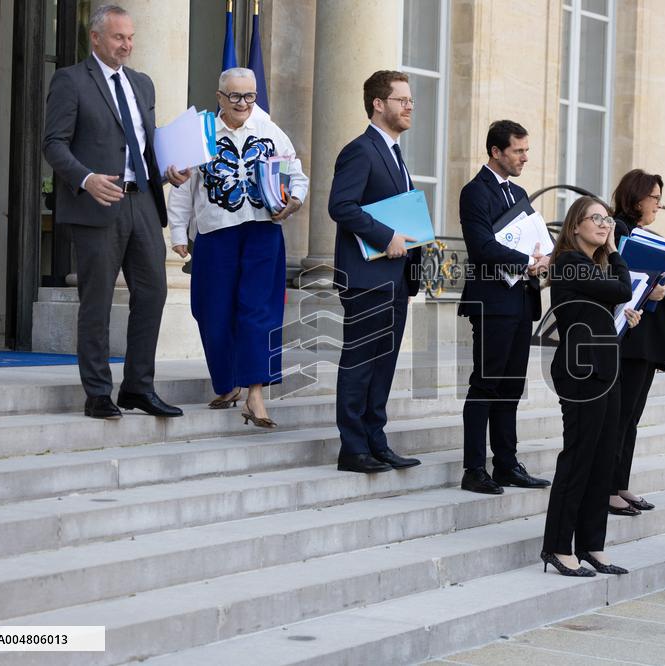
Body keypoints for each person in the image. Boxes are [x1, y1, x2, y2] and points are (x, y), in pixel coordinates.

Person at [42, 4, 189, 420]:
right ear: (96, 37)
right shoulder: (70, 81)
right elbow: (53, 143)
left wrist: (169, 170)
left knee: (154, 293)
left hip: (142, 201)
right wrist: (86, 179)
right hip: (96, 204)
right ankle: (98, 392)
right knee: (97, 300)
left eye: (130, 38)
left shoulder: (142, 84)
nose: (127, 45)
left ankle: (139, 387)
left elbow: (145, 146)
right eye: (118, 37)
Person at [167, 68, 308, 428]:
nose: (243, 103)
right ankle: (228, 383)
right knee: (211, 311)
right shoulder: (201, 136)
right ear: (219, 98)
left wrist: (294, 201)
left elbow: (297, 176)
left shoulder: (270, 132)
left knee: (258, 311)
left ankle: (255, 394)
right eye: (235, 96)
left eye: (250, 96)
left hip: (262, 234)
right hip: (215, 236)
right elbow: (184, 187)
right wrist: (179, 234)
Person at [327, 70, 422, 474]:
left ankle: (376, 440)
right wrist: (386, 237)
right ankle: (352, 448)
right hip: (366, 277)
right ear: (378, 104)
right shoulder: (361, 150)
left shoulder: (395, 153)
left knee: (383, 364)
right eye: (401, 99)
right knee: (360, 362)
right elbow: (341, 206)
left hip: (395, 278)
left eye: (410, 100)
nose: (410, 106)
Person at [540, 196, 640, 577]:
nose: (604, 224)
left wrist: (623, 321)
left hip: (605, 368)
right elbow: (620, 289)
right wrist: (616, 253)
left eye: (607, 219)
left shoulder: (590, 268)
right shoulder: (568, 263)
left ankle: (591, 545)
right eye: (595, 218)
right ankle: (557, 547)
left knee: (603, 460)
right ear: (575, 226)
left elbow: (608, 305)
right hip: (581, 373)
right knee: (579, 457)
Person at [457, 120, 550, 494]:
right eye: (518, 151)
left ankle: (507, 463)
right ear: (496, 151)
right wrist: (527, 261)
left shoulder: (520, 193)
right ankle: (474, 469)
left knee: (512, 386)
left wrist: (542, 260)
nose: (525, 158)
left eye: (526, 150)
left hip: (521, 299)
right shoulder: (474, 192)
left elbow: (534, 240)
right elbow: (481, 247)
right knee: (486, 384)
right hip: (492, 301)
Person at [608, 169, 665, 516]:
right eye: (655, 200)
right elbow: (621, 282)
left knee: (631, 415)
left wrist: (658, 289)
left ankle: (620, 482)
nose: (658, 207)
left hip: (645, 339)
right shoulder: (618, 231)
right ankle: (607, 488)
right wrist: (652, 289)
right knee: (619, 415)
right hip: (627, 338)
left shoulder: (641, 234)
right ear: (636, 199)